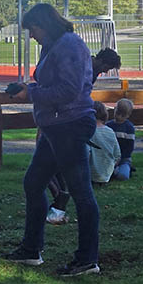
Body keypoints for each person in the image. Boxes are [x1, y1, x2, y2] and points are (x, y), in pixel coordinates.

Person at [4, 3, 101, 277]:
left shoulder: (68, 45)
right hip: (56, 126)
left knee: (82, 193)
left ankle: (87, 259)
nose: (31, 35)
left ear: (44, 24)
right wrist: (29, 88)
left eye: (33, 29)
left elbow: (69, 90)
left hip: (68, 125)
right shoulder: (56, 45)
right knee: (33, 183)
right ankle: (31, 250)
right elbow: (55, 86)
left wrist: (30, 94)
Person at [45, 48, 122, 222]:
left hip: (71, 117)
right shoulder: (82, 65)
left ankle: (61, 196)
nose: (104, 73)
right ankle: (61, 195)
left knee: (55, 160)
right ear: (101, 61)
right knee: (47, 161)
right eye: (106, 68)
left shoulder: (92, 72)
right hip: (58, 113)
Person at [88, 101, 121, 185]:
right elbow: (117, 155)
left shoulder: (88, 132)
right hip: (107, 174)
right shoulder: (110, 132)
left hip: (90, 175)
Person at [107, 98, 136, 181]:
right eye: (117, 113)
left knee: (123, 176)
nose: (119, 116)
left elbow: (129, 148)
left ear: (128, 115)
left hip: (124, 159)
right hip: (110, 157)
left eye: (122, 115)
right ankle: (115, 171)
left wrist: (120, 159)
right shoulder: (109, 125)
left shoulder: (129, 128)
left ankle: (126, 169)